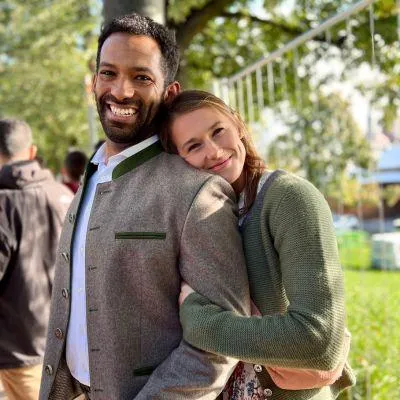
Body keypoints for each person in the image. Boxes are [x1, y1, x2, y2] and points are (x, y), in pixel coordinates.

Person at [39, 13, 250, 400]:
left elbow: (222, 340)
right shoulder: (93, 172)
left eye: (141, 77)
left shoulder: (197, 192)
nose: (121, 91)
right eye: (108, 73)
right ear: (95, 81)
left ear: (169, 92)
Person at [159, 90, 356, 400]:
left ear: (238, 126)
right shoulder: (198, 220)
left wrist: (198, 323)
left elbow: (320, 342)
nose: (213, 151)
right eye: (194, 146)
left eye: (218, 131)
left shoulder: (289, 199)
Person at [0, 119, 73, 400]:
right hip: (68, 343)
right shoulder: (63, 194)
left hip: (21, 346)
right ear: (31, 152)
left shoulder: (4, 202)